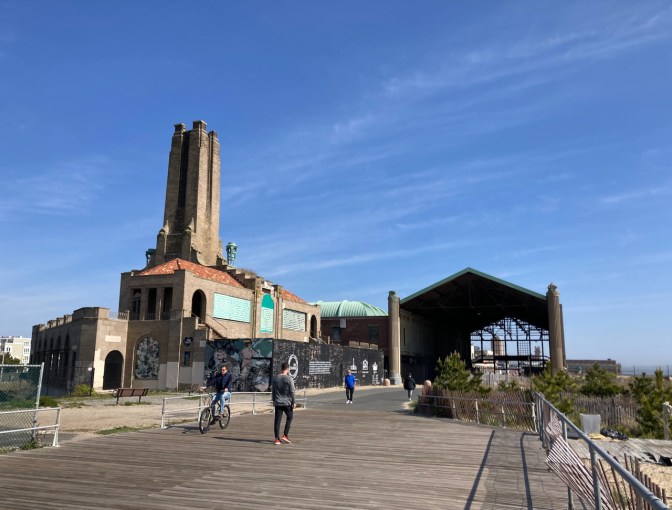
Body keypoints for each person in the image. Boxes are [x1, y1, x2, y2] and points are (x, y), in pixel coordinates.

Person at [272, 361, 295, 445]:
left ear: (281, 368)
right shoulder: (289, 379)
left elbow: (273, 391)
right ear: (287, 369)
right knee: (290, 417)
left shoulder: (275, 378)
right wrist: (293, 401)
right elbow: (292, 391)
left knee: (277, 420)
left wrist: (273, 400)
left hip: (278, 402)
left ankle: (276, 439)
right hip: (287, 402)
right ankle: (285, 435)